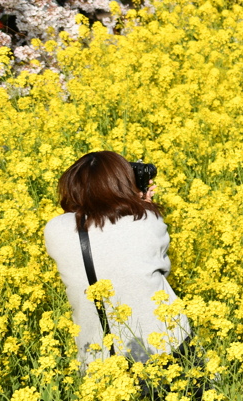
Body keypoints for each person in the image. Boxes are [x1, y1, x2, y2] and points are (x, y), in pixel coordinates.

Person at [44, 151, 190, 369]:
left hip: (98, 359)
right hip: (162, 348)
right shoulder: (148, 220)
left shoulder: (54, 229)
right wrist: (144, 205)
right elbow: (160, 273)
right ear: (122, 183)